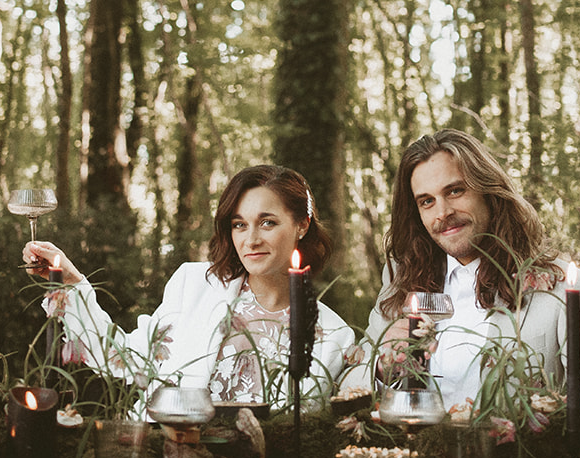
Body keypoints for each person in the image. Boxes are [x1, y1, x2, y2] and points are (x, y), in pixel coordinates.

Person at [25, 165, 356, 415]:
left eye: (267, 222)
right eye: (239, 224)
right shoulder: (196, 287)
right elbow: (123, 357)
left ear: (302, 224)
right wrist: (71, 284)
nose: (251, 239)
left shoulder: (334, 334)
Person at [366, 129, 580, 409]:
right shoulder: (402, 277)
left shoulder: (561, 285)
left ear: (487, 190)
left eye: (455, 191)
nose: (442, 212)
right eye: (427, 201)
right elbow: (352, 378)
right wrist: (383, 367)